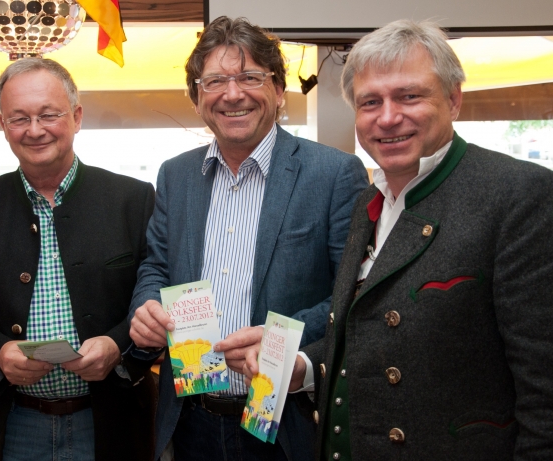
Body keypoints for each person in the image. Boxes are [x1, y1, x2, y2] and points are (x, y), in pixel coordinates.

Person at [264, 19, 553, 461]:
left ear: (453, 99)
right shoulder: (368, 202)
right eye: (370, 102)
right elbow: (370, 335)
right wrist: (300, 366)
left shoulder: (518, 195)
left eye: (409, 96)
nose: (387, 117)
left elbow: (544, 393)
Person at [128, 16, 368, 461]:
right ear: (197, 97)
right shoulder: (175, 174)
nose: (232, 93)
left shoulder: (333, 174)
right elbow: (156, 266)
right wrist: (145, 307)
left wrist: (281, 342)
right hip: (191, 415)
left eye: (250, 77)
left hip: (282, 422)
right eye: (215, 80)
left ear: (278, 90)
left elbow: (351, 292)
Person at [0, 58, 157, 460]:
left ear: (77, 116)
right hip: (11, 424)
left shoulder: (134, 200)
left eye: (48, 114)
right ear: (3, 125)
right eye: (19, 118)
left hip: (112, 424)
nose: (35, 130)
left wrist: (118, 346)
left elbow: (155, 296)